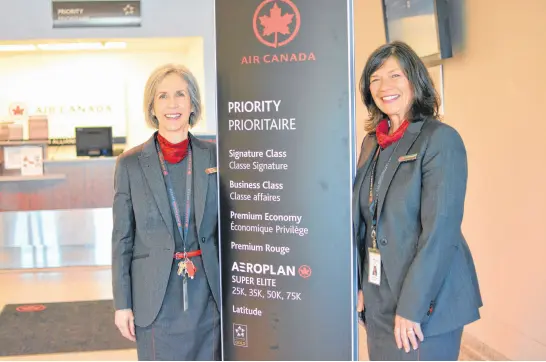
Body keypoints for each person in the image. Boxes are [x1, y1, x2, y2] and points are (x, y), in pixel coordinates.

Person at [353, 41, 482, 360]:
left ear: (415, 80)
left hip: (425, 301)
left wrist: (412, 308)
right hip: (378, 295)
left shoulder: (440, 140)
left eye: (395, 75)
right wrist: (358, 284)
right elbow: (363, 220)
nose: (384, 87)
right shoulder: (372, 143)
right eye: (375, 79)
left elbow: (440, 233)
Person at [111, 64, 220, 360]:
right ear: (152, 106)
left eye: (180, 94)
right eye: (163, 96)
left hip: (208, 296)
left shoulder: (215, 156)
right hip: (154, 297)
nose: (172, 104)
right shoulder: (130, 164)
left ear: (192, 103)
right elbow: (122, 239)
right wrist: (122, 304)